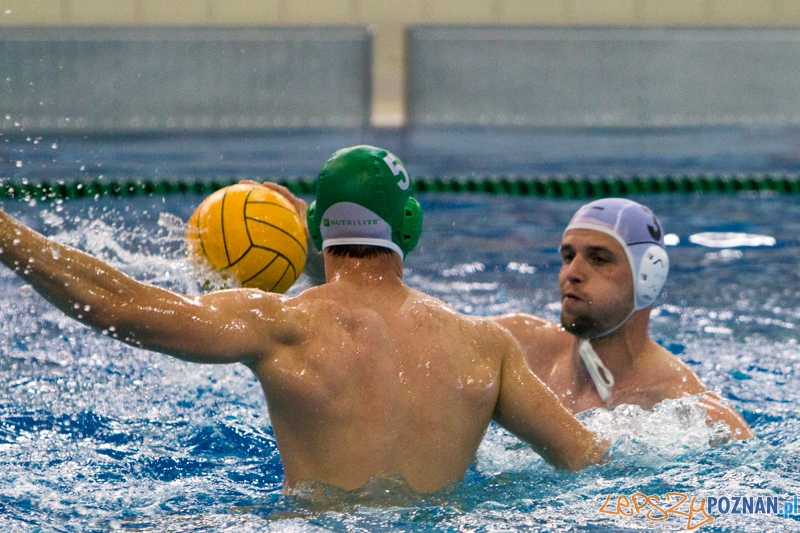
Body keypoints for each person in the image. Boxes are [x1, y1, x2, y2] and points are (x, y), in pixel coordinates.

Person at [0, 145, 607, 495]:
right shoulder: (485, 346)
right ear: (412, 226)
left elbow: (121, 306)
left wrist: (7, 233)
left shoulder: (282, 325)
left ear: (314, 228)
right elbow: (587, 458)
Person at [494, 198, 753, 440]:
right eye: (569, 256)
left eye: (599, 259)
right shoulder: (515, 346)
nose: (572, 272)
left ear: (647, 277)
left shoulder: (695, 415)